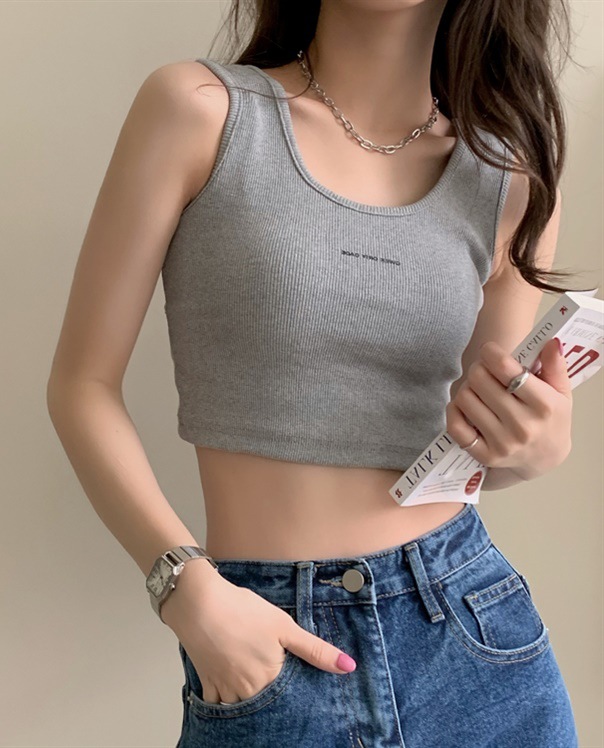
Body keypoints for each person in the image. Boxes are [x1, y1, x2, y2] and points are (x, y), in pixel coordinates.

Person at [47, 1, 584, 746]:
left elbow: (476, 446)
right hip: (269, 646)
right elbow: (81, 387)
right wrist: (185, 588)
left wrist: (535, 449)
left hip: (472, 634)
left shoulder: (507, 174)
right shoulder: (200, 112)